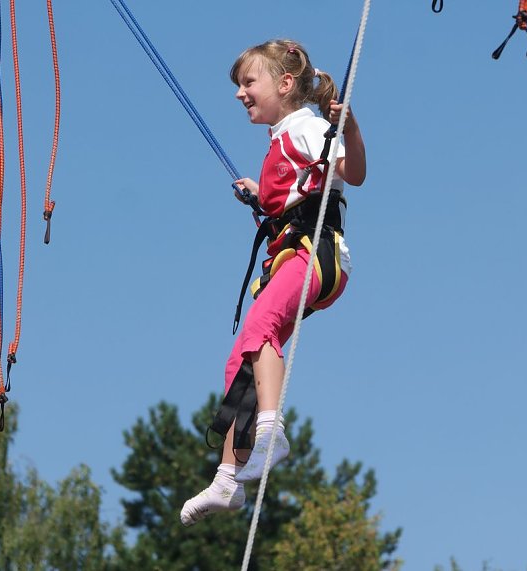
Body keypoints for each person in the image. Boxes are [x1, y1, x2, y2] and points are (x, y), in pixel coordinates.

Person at [180, 39, 366, 527]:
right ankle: (228, 477)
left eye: (249, 82)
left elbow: (352, 174)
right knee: (242, 358)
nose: (239, 93)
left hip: (316, 254)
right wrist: (261, 195)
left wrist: (350, 129)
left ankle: (271, 432)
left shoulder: (307, 126)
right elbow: (295, 189)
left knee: (259, 329)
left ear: (284, 84)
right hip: (290, 257)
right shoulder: (283, 135)